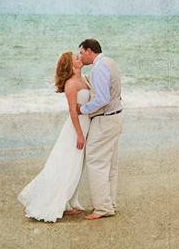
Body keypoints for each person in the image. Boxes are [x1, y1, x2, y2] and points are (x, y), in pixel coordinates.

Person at [17, 51, 91, 222]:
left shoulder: (84, 79)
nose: (80, 58)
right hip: (75, 128)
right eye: (76, 58)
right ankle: (59, 202)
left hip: (86, 124)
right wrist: (79, 134)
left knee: (77, 165)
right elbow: (72, 111)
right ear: (70, 65)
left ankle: (72, 200)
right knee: (66, 164)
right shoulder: (71, 84)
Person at [77, 38, 123, 220]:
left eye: (81, 52)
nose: (80, 56)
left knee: (96, 161)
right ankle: (109, 203)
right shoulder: (109, 62)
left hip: (105, 120)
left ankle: (103, 208)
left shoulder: (99, 67)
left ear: (89, 51)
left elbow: (102, 98)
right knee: (111, 164)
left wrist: (82, 109)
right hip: (116, 116)